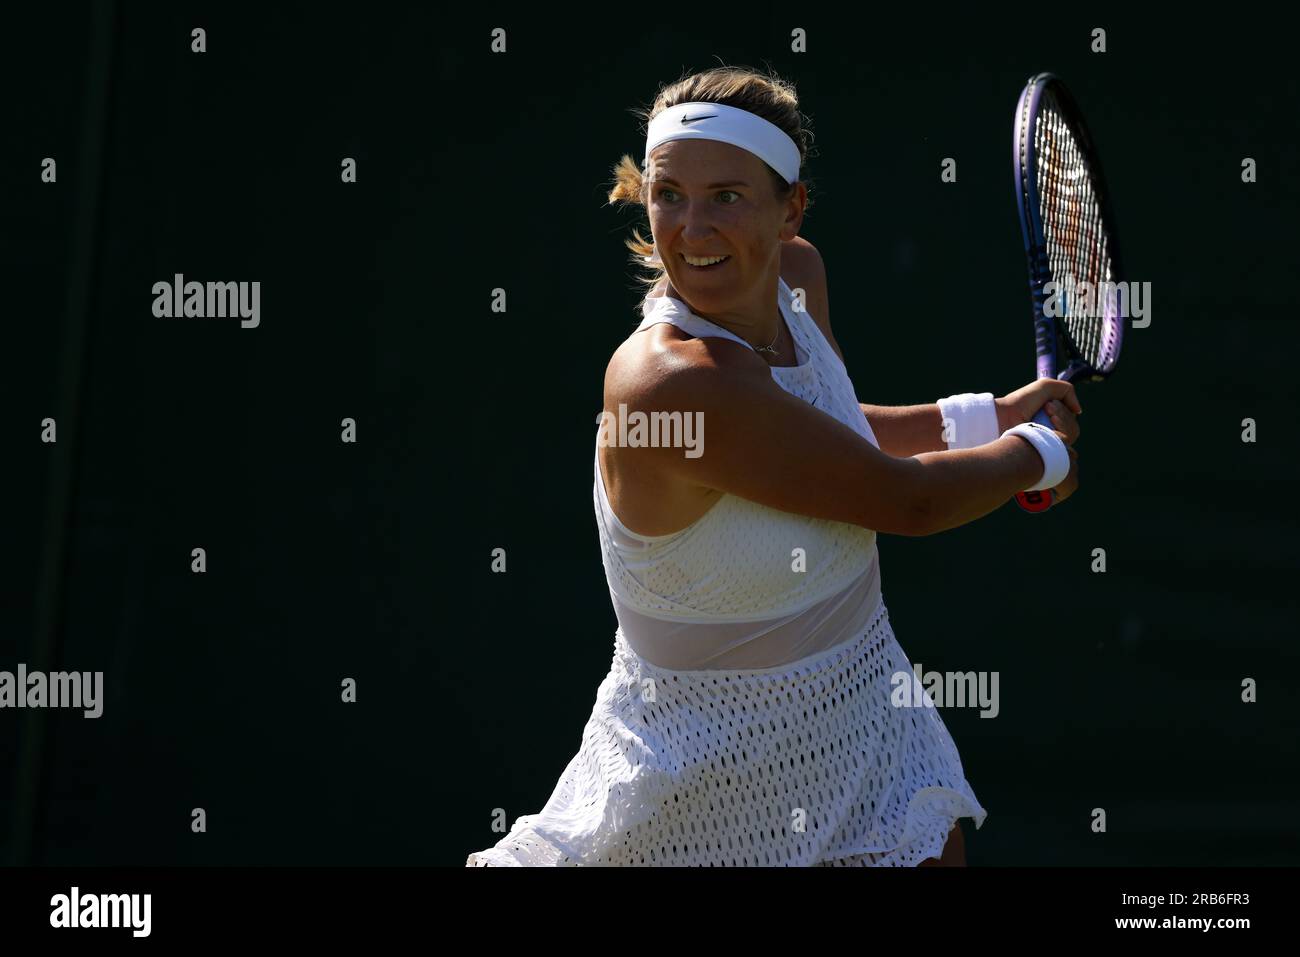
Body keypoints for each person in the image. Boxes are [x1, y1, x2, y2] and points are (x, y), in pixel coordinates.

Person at [466, 65, 1080, 867]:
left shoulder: (797, 277)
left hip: (863, 736)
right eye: (669, 194)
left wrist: (982, 418)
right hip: (696, 790)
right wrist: (1038, 454)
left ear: (791, 209)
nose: (691, 228)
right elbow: (910, 502)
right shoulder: (667, 384)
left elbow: (822, 438)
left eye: (727, 195)